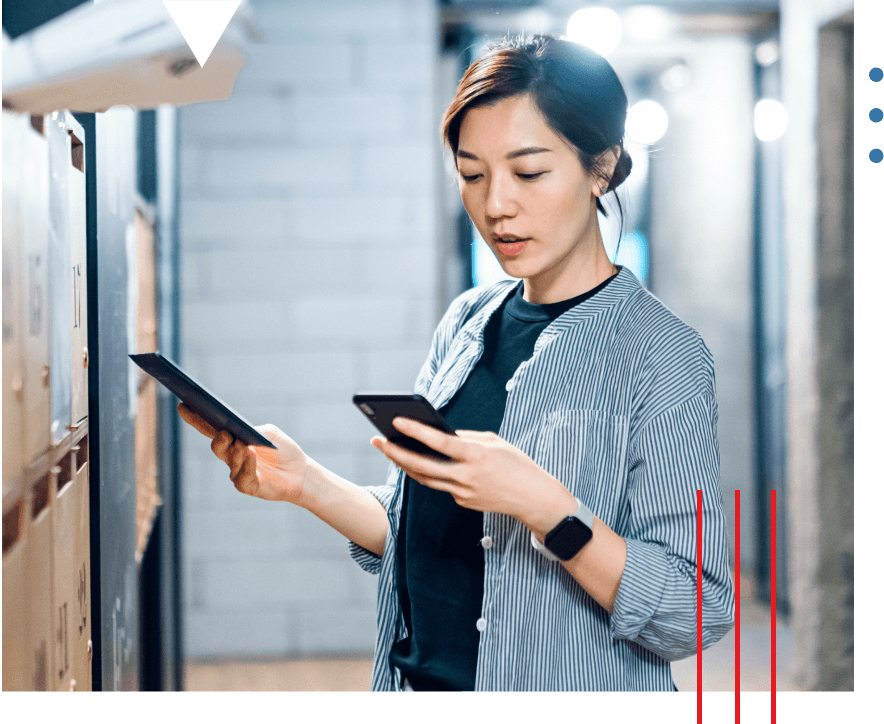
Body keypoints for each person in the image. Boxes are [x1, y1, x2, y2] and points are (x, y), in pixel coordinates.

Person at [178, 33, 735, 692]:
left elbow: (695, 608)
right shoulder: (468, 322)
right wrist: (305, 483)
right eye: (473, 175)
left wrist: (545, 506)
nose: (496, 205)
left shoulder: (662, 355)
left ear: (602, 167)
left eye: (529, 172)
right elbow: (424, 533)